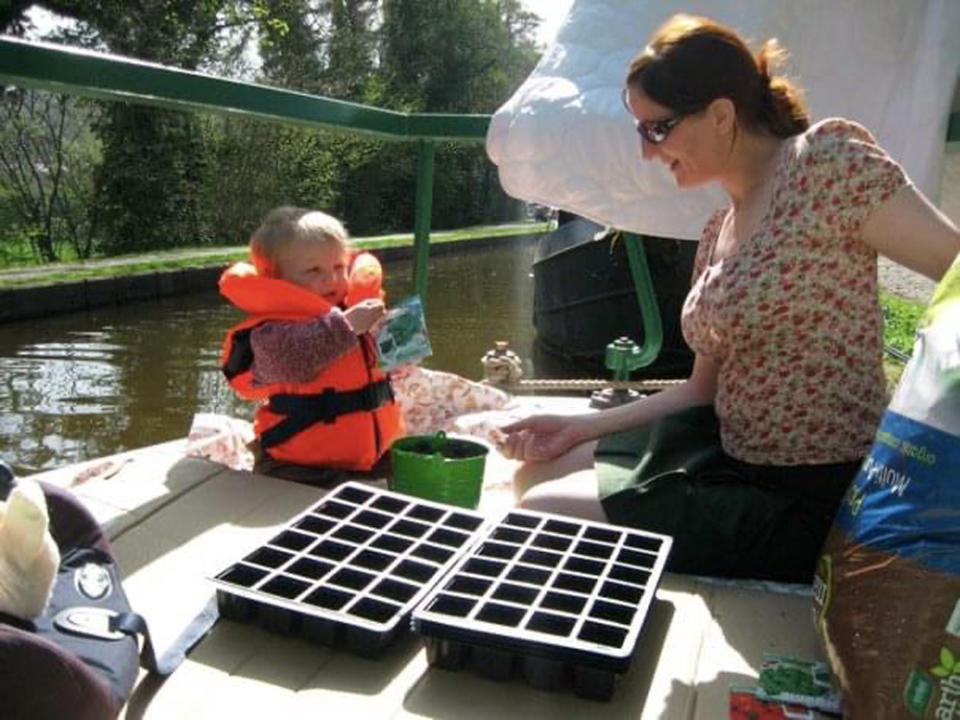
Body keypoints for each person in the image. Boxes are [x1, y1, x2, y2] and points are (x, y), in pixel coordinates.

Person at [499, 14, 960, 582]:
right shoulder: (719, 229)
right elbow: (700, 390)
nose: (647, 152)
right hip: (725, 453)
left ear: (720, 115)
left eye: (657, 129)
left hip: (809, 495)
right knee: (535, 474)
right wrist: (580, 428)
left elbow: (954, 264)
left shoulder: (826, 162)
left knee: (542, 515)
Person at [219, 206, 403, 483]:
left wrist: (398, 340)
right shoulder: (273, 329)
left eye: (339, 267)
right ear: (276, 279)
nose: (331, 278)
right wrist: (348, 326)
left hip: (373, 458)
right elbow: (289, 362)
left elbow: (386, 367)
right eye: (313, 270)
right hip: (298, 466)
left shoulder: (354, 309)